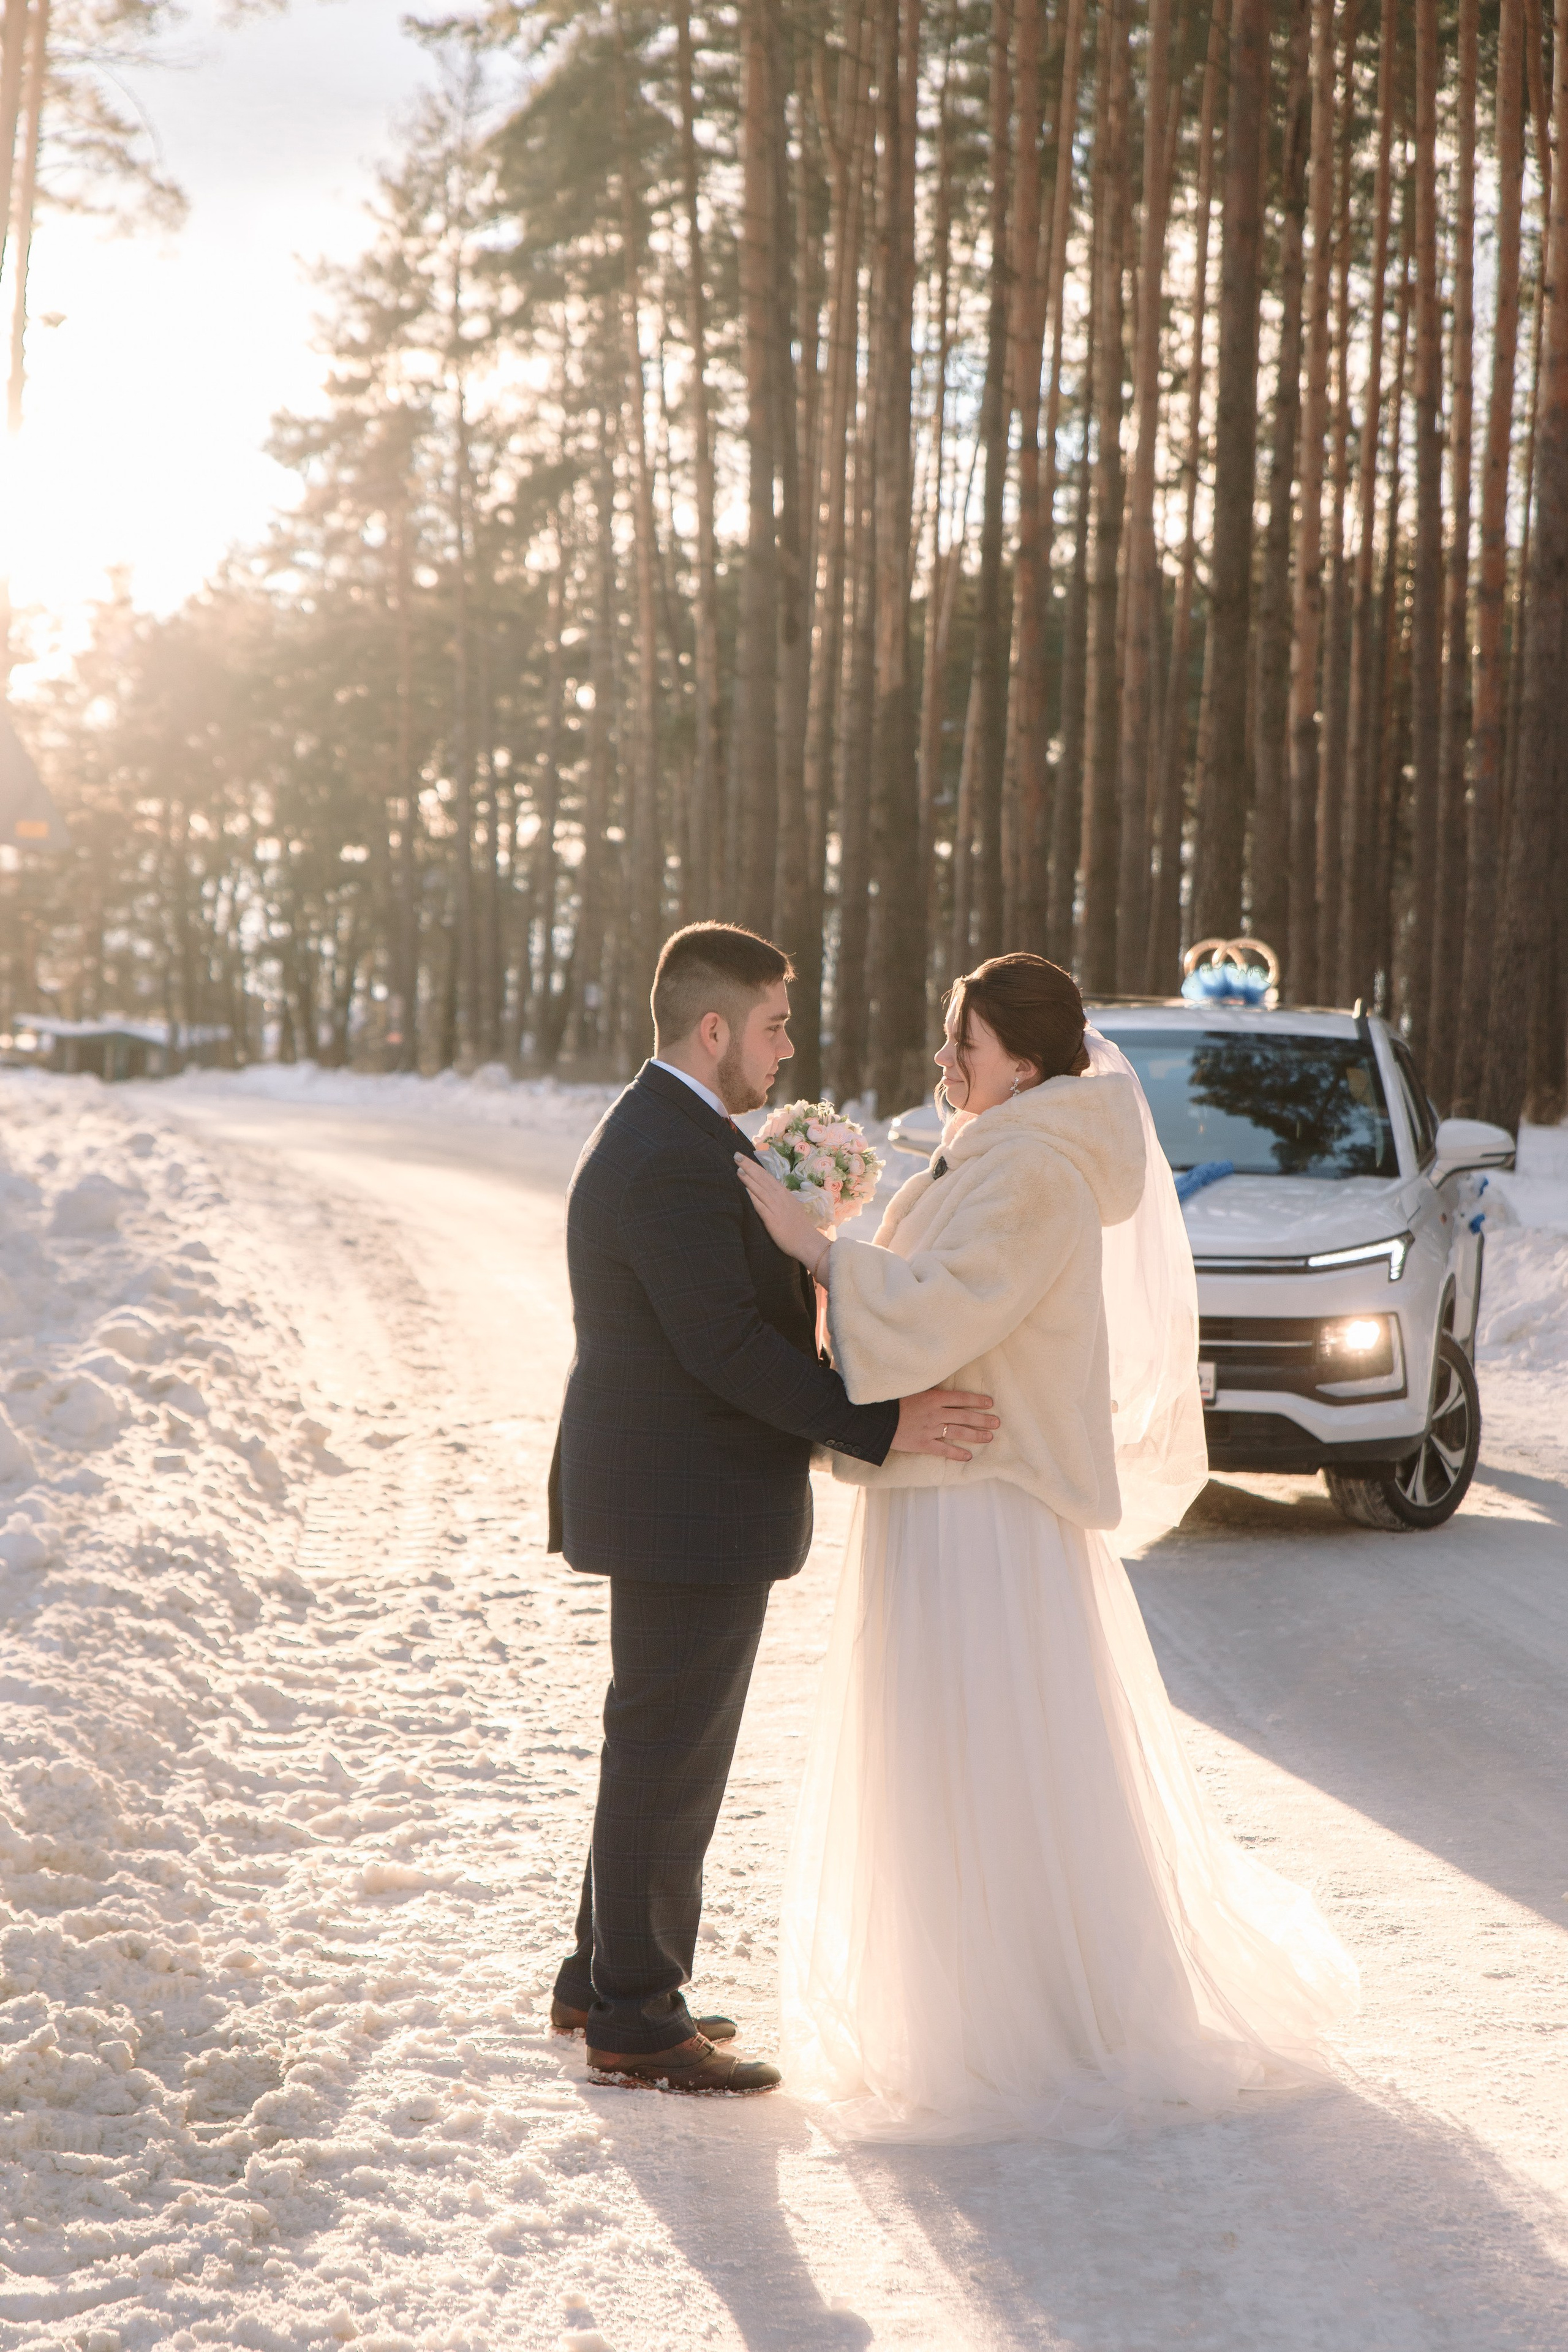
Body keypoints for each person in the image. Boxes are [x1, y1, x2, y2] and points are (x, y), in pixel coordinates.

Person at [736, 951, 1359, 2141]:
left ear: (1021, 1061)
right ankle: (979, 1997)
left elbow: (942, 1311)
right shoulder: (999, 1152)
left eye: (961, 1043)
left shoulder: (1030, 1168)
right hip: (948, 1488)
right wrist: (845, 1240)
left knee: (980, 1758)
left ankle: (1017, 2017)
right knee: (952, 1756)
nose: (942, 1060)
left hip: (983, 1505)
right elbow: (921, 1292)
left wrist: (816, 1249)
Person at [548, 921, 1000, 2094]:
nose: (787, 1049)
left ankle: (603, 1976)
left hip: (683, 1493)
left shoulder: (686, 1135)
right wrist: (879, 1423)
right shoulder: (664, 1152)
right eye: (774, 1024)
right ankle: (638, 2020)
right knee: (668, 1748)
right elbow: (725, 1349)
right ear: (714, 1029)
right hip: (681, 1497)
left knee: (654, 1738)